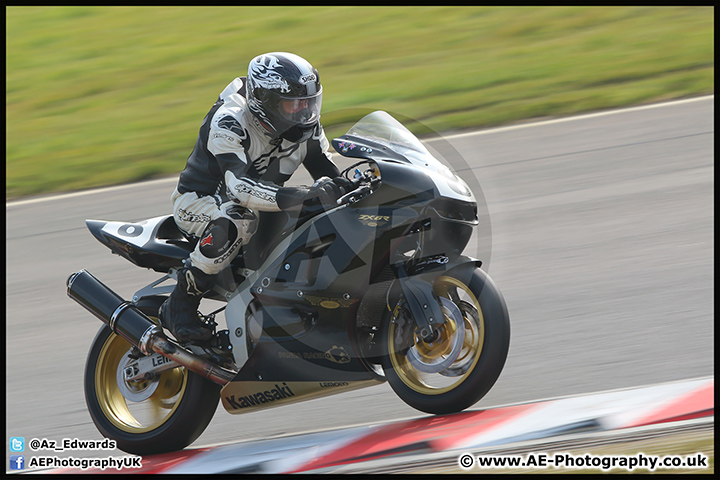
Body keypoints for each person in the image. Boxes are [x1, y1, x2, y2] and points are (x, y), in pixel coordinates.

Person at [159, 52, 351, 343]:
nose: (303, 112)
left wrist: (359, 187)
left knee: (324, 212)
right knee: (239, 220)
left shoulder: (305, 127)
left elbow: (328, 171)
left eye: (308, 103)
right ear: (266, 102)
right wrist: (302, 196)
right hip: (200, 203)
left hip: (261, 205)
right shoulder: (230, 121)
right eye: (293, 104)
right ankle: (180, 306)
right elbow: (238, 188)